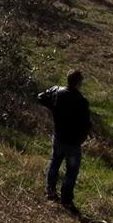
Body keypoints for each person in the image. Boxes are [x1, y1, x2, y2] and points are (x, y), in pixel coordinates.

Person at [38, 69, 92, 211]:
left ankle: (50, 192)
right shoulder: (82, 101)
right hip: (73, 142)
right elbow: (87, 124)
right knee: (71, 171)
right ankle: (66, 200)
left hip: (59, 136)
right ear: (79, 83)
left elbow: (41, 97)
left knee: (55, 163)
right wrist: (82, 138)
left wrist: (53, 108)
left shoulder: (57, 92)